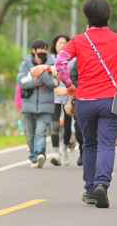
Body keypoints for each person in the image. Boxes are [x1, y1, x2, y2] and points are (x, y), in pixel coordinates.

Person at [55, 0, 117, 209]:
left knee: (89, 144)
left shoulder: (77, 40)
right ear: (107, 15)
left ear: (86, 16)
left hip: (84, 101)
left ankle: (90, 190)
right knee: (107, 144)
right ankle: (102, 184)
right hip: (111, 100)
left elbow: (60, 63)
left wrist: (70, 85)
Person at [17, 39, 58, 168]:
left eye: (45, 49)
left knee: (40, 132)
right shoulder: (25, 64)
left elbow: (54, 83)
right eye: (40, 49)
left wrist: (41, 74)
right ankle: (34, 157)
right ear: (33, 50)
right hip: (28, 105)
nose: (43, 51)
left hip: (46, 106)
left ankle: (40, 154)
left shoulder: (52, 64)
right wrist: (38, 82)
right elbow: (22, 82)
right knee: (30, 134)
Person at [49, 34, 72, 166]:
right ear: (55, 45)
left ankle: (65, 149)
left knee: (67, 127)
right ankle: (56, 152)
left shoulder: (72, 60)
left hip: (68, 97)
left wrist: (68, 89)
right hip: (54, 98)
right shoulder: (50, 59)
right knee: (55, 125)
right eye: (60, 43)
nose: (62, 45)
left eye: (65, 43)